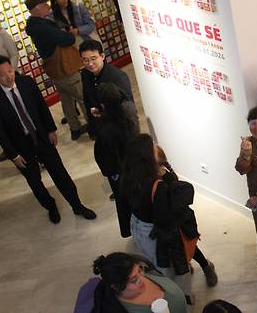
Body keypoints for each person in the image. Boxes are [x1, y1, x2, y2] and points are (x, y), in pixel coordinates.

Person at [0, 55, 96, 224]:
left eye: (10, 70)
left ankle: (77, 205)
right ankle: (50, 206)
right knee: (35, 182)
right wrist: (13, 155)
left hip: (41, 136)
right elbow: (0, 132)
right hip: (21, 146)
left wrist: (51, 129)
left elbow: (41, 106)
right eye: (2, 74)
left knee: (60, 173)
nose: (9, 76)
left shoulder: (27, 83)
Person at [121, 134, 208, 302]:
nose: (156, 144)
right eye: (152, 144)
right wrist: (168, 177)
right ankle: (183, 298)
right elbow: (165, 219)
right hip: (154, 233)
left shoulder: (129, 176)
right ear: (146, 155)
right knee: (172, 269)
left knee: (155, 263)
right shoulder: (157, 185)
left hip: (137, 226)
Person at [24, 0, 88, 140]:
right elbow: (65, 39)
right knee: (82, 96)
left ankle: (75, 128)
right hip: (65, 68)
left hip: (55, 70)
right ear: (37, 8)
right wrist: (69, 34)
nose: (48, 6)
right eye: (44, 4)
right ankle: (94, 126)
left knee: (66, 99)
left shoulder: (34, 26)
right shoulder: (42, 26)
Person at [154, 145, 218, 288]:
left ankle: (206, 266)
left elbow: (176, 203)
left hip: (180, 222)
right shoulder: (152, 177)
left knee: (190, 246)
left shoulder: (167, 177)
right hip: (171, 224)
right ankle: (190, 263)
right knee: (182, 250)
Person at [93, 83, 138, 238]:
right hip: (133, 168)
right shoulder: (127, 116)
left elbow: (103, 157)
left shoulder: (106, 130)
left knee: (124, 203)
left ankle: (132, 230)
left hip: (119, 174)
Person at [90, 252, 188, 313]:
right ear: (117, 287)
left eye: (140, 270)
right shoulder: (115, 309)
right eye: (134, 280)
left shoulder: (142, 265)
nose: (142, 279)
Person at [79, 39, 138, 137]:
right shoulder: (85, 74)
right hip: (101, 129)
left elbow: (128, 109)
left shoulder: (117, 76)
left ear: (102, 56)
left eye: (93, 58)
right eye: (85, 60)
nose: (90, 63)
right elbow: (87, 100)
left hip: (120, 129)